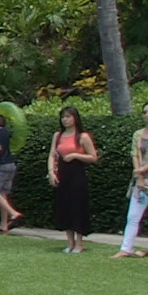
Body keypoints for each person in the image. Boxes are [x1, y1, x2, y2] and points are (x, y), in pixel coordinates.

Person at [113, 102, 148, 258]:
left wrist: (143, 170)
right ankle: (126, 248)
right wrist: (139, 175)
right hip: (141, 179)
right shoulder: (138, 134)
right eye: (145, 112)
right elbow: (135, 154)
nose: (147, 115)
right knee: (133, 216)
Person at [47, 106, 98, 254]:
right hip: (62, 173)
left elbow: (93, 157)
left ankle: (79, 243)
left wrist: (76, 155)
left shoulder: (83, 137)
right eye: (63, 117)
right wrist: (51, 172)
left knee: (77, 207)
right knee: (64, 206)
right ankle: (70, 242)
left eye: (68, 117)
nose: (65, 120)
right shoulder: (58, 136)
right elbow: (52, 155)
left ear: (75, 118)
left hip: (77, 174)